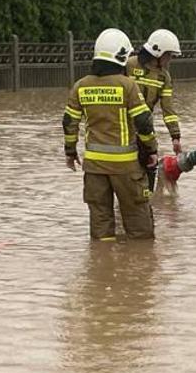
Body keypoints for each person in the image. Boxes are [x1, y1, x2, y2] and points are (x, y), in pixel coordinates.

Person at [64, 28, 159, 241]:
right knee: (139, 227)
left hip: (94, 167)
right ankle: (139, 268)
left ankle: (102, 267)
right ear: (122, 56)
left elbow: (69, 122)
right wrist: (151, 150)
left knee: (101, 226)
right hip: (126, 167)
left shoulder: (80, 86)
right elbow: (143, 122)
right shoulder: (128, 85)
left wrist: (70, 152)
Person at [125, 28, 185, 159]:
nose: (169, 59)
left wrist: (175, 137)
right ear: (157, 52)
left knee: (150, 165)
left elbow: (168, 109)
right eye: (168, 55)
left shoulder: (164, 77)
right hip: (122, 126)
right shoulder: (129, 65)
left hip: (144, 128)